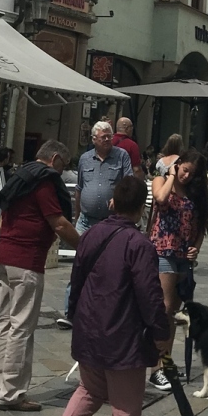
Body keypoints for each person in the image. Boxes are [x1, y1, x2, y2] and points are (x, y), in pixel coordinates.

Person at [41, 176, 169, 416]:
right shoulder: (139, 245)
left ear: (113, 202)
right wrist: (160, 332)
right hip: (122, 335)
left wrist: (74, 315)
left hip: (89, 328)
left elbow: (77, 280)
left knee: (90, 389)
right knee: (126, 405)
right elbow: (150, 296)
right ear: (141, 208)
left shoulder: (91, 235)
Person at [0, 140, 80, 411]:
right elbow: (58, 223)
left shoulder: (20, 176)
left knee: (4, 324)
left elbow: (2, 219)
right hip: (26, 260)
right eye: (63, 165)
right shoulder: (43, 180)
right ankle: (12, 393)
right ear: (55, 158)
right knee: (21, 327)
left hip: (4, 255)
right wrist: (86, 246)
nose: (62, 172)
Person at [57, 121, 134, 329]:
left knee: (111, 267)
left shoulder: (121, 156)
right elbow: (80, 188)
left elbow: (129, 183)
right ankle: (71, 311)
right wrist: (77, 215)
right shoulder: (85, 159)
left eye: (110, 136)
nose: (108, 139)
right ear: (94, 139)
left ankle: (105, 313)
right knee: (79, 265)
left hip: (110, 222)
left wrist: (119, 197)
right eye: (103, 136)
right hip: (86, 220)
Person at [148, 148, 208, 391]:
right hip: (162, 251)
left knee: (174, 312)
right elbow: (161, 199)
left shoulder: (195, 192)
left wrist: (196, 248)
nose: (187, 177)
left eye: (191, 174)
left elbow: (200, 225)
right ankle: (156, 367)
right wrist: (172, 175)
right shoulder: (161, 180)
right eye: (185, 170)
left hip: (184, 255)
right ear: (178, 164)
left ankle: (166, 363)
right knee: (163, 308)